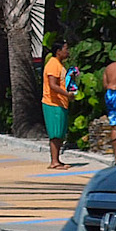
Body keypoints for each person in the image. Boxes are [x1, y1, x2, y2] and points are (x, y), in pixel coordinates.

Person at [42, 39, 72, 168]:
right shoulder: (53, 64)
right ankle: (54, 161)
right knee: (55, 133)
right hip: (53, 103)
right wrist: (67, 94)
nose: (68, 51)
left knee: (60, 132)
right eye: (66, 49)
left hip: (61, 103)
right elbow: (52, 85)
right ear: (58, 51)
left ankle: (57, 160)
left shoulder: (59, 65)